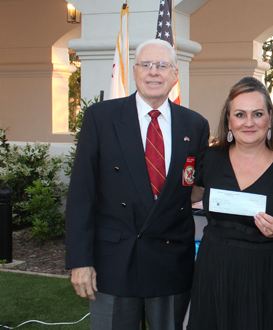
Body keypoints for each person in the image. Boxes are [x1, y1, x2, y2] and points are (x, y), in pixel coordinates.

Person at [65, 39, 210, 330]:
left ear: (175, 74)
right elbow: (82, 193)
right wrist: (80, 261)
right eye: (146, 65)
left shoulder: (195, 125)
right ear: (134, 72)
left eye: (163, 65)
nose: (154, 72)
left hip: (170, 259)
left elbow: (199, 184)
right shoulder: (101, 118)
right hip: (113, 261)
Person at [186, 77, 273, 330]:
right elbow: (189, 195)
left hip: (264, 275)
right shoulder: (210, 158)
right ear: (228, 120)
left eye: (257, 114)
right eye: (240, 114)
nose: (249, 122)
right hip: (214, 269)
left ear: (270, 119)